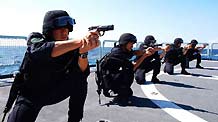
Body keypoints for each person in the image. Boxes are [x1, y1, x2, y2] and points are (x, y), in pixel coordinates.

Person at [7, 10, 100, 122]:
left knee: (80, 81)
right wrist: (81, 41)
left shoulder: (71, 46)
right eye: (60, 29)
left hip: (53, 90)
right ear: (49, 30)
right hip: (31, 95)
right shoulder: (36, 39)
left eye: (66, 30)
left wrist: (83, 52)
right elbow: (39, 51)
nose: (64, 33)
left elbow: (83, 72)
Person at [101, 33, 154, 104]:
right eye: (131, 43)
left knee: (128, 92)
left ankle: (122, 90)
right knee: (128, 72)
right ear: (125, 43)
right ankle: (119, 91)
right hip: (111, 81)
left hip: (113, 77)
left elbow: (135, 52)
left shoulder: (120, 49)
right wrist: (145, 56)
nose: (132, 46)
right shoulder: (118, 55)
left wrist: (145, 50)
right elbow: (133, 67)